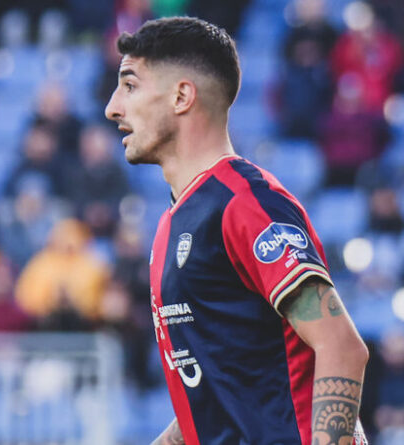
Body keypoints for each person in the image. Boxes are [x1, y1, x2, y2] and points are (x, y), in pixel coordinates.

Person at [104, 17, 369, 444]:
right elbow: (215, 401)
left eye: (130, 86)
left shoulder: (244, 202)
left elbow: (342, 348)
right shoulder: (173, 224)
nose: (112, 107)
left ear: (181, 95)